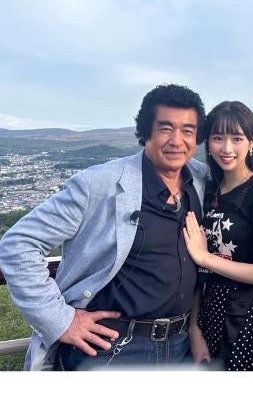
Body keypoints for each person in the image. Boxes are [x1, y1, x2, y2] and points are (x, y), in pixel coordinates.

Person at [0, 84, 208, 370]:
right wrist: (61, 321)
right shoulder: (98, 184)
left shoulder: (199, 179)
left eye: (187, 130)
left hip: (181, 346)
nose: (177, 141)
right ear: (146, 131)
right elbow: (17, 245)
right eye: (165, 128)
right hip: (113, 349)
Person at [182, 101, 253, 371]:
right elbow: (200, 273)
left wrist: (205, 258)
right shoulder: (209, 191)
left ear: (251, 142)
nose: (227, 148)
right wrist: (194, 328)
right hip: (212, 316)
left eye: (237, 138)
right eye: (218, 138)